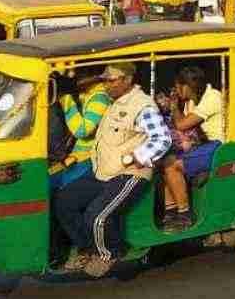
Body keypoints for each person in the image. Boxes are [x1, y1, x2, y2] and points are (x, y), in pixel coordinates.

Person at [52, 63, 170, 276]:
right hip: (103, 171)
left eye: (111, 80)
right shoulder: (114, 102)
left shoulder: (141, 106)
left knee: (97, 216)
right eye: (105, 79)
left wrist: (137, 157)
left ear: (127, 80)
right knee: (64, 202)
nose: (106, 84)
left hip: (130, 173)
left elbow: (162, 138)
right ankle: (89, 246)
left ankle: (110, 252)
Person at [158, 66, 225, 231]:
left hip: (217, 146)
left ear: (187, 86)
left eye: (178, 87)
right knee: (162, 161)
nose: (176, 91)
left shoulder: (212, 97)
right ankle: (170, 211)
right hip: (202, 144)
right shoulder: (191, 101)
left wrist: (174, 107)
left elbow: (181, 124)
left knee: (171, 164)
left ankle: (184, 214)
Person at [49, 70, 114, 193]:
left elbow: (82, 131)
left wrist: (66, 101)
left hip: (89, 157)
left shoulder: (100, 98)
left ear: (94, 77)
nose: (75, 80)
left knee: (63, 192)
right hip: (75, 156)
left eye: (78, 77)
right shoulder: (84, 95)